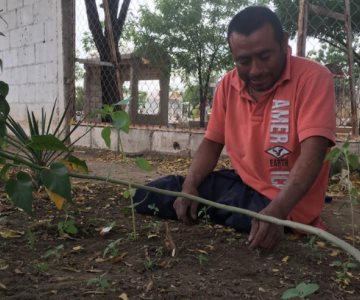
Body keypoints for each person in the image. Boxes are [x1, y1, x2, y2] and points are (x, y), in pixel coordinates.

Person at [133, 6, 336, 250]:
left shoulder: (314, 78)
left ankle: (270, 220)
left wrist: (278, 211)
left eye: (264, 56)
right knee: (150, 194)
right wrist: (190, 187)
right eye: (244, 61)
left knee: (243, 213)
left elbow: (313, 154)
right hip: (242, 185)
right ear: (233, 56)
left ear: (283, 42)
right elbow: (211, 142)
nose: (256, 70)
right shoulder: (227, 85)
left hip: (286, 201)